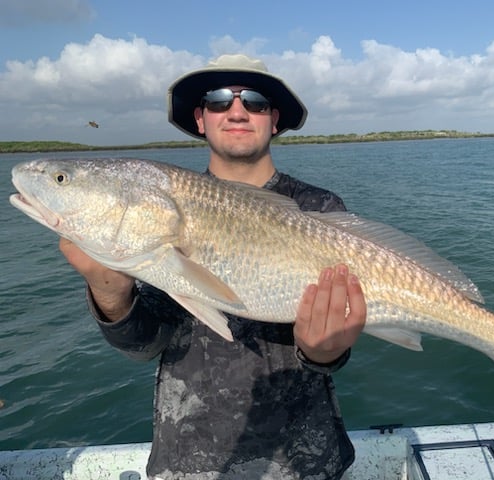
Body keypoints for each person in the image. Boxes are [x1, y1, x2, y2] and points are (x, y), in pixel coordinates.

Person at [59, 54, 366, 479]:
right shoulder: (160, 207)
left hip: (304, 459)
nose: (237, 110)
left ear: (274, 119)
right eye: (219, 101)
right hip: (190, 460)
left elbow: (336, 346)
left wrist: (325, 351)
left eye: (255, 101)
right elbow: (145, 345)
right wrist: (109, 291)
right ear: (200, 119)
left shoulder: (319, 210)